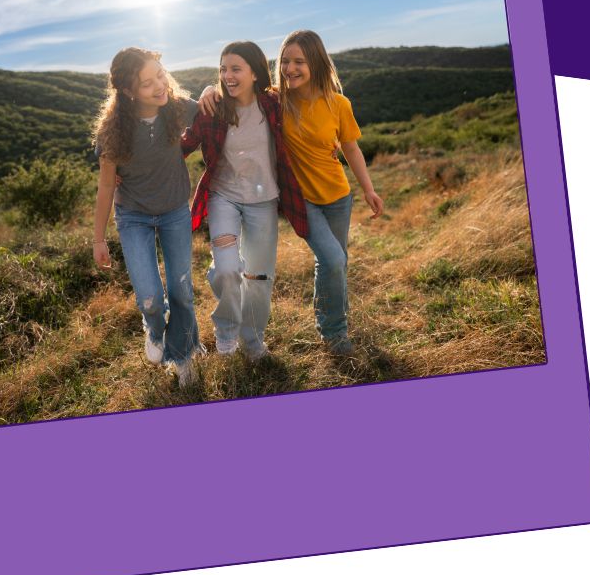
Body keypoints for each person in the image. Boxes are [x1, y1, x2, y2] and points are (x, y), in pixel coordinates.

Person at [197, 30, 383, 357]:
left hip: (339, 197)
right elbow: (235, 89)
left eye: (299, 61)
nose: (290, 68)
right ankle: (334, 332)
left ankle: (333, 321)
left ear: (316, 63)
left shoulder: (338, 103)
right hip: (302, 200)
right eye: (285, 61)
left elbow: (351, 148)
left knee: (335, 262)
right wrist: (210, 88)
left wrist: (368, 189)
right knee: (333, 259)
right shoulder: (276, 101)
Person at [178, 42, 309, 361]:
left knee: (259, 277)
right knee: (226, 270)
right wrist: (127, 168)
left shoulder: (273, 103)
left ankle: (252, 341)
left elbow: (309, 101)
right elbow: (181, 148)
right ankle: (226, 329)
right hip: (223, 198)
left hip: (264, 201)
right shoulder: (212, 109)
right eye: (222, 69)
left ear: (254, 72)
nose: (227, 75)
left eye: (236, 69)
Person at [91, 48, 204, 386]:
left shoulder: (178, 107)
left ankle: (183, 358)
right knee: (151, 298)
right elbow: (106, 187)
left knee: (182, 292)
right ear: (128, 92)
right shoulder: (113, 131)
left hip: (174, 212)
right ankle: (155, 330)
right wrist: (98, 239)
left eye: (160, 75)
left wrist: (212, 91)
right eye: (146, 83)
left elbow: (215, 107)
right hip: (134, 217)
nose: (158, 86)